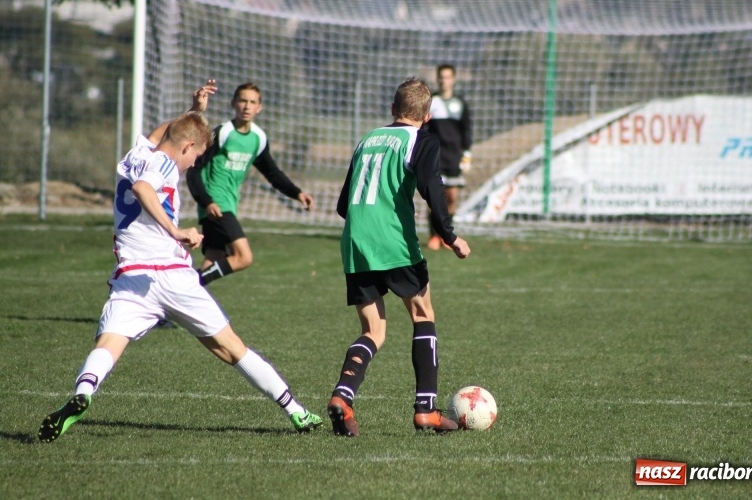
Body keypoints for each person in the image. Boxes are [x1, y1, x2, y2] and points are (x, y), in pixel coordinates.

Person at [38, 81, 322, 443]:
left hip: (131, 277)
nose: (192, 165)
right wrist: (176, 230)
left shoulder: (137, 152)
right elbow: (144, 188)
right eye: (195, 156)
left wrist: (195, 110)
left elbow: (168, 133)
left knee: (107, 345)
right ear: (187, 147)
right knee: (233, 348)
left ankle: (83, 392)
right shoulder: (163, 166)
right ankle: (296, 411)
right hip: (171, 275)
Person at [327, 78, 471, 437]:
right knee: (423, 314)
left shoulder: (367, 139)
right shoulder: (423, 139)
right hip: (395, 243)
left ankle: (343, 397)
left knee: (373, 330)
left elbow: (343, 205)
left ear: (392, 110)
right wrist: (449, 236)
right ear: (427, 115)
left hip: (355, 243)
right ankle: (426, 410)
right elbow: (432, 190)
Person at [187, 82, 314, 286]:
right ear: (233, 103)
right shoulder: (222, 133)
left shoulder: (258, 138)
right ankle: (182, 288)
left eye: (252, 102)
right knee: (244, 257)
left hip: (228, 205)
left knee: (213, 261)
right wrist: (207, 201)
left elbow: (271, 172)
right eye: (242, 101)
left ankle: (174, 298)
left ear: (259, 108)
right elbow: (194, 168)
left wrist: (297, 193)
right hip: (217, 206)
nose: (247, 106)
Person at [423, 64, 472, 250]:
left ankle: (446, 236)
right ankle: (433, 235)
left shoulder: (460, 103)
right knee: (434, 198)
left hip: (454, 158)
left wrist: (466, 154)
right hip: (435, 158)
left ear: (453, 79)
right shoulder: (431, 102)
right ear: (438, 79)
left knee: (451, 197)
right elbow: (424, 129)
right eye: (441, 77)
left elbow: (466, 130)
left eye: (448, 77)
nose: (444, 80)